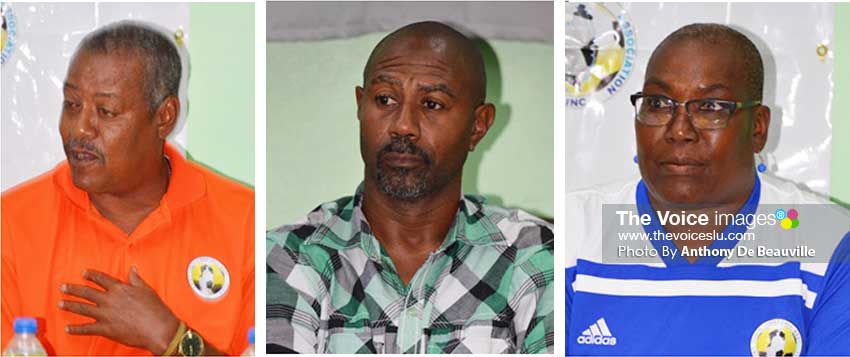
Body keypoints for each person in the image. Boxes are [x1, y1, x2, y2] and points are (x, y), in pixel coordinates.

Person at [266, 21, 554, 354]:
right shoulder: (290, 257)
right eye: (385, 99)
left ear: (478, 126)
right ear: (361, 105)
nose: (403, 125)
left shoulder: (533, 258)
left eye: (432, 104)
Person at [566, 23, 850, 356]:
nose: (680, 130)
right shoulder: (575, 233)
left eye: (711, 107)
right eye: (659, 103)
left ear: (758, 128)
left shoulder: (826, 241)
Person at [1, 21, 254, 356]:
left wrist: (170, 338)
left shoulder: (244, 221)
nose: (79, 129)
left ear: (165, 117)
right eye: (72, 104)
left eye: (105, 111)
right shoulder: (12, 222)